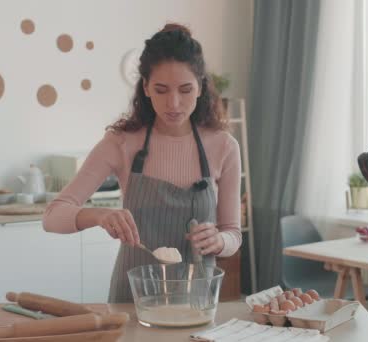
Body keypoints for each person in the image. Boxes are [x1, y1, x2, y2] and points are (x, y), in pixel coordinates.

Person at [43, 23, 242, 303]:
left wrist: (219, 241)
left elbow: (233, 234)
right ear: (146, 87)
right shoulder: (122, 143)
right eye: (161, 90)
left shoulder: (224, 146)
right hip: (133, 301)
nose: (173, 103)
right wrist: (99, 216)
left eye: (185, 90)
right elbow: (52, 217)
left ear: (200, 88)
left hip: (196, 302)